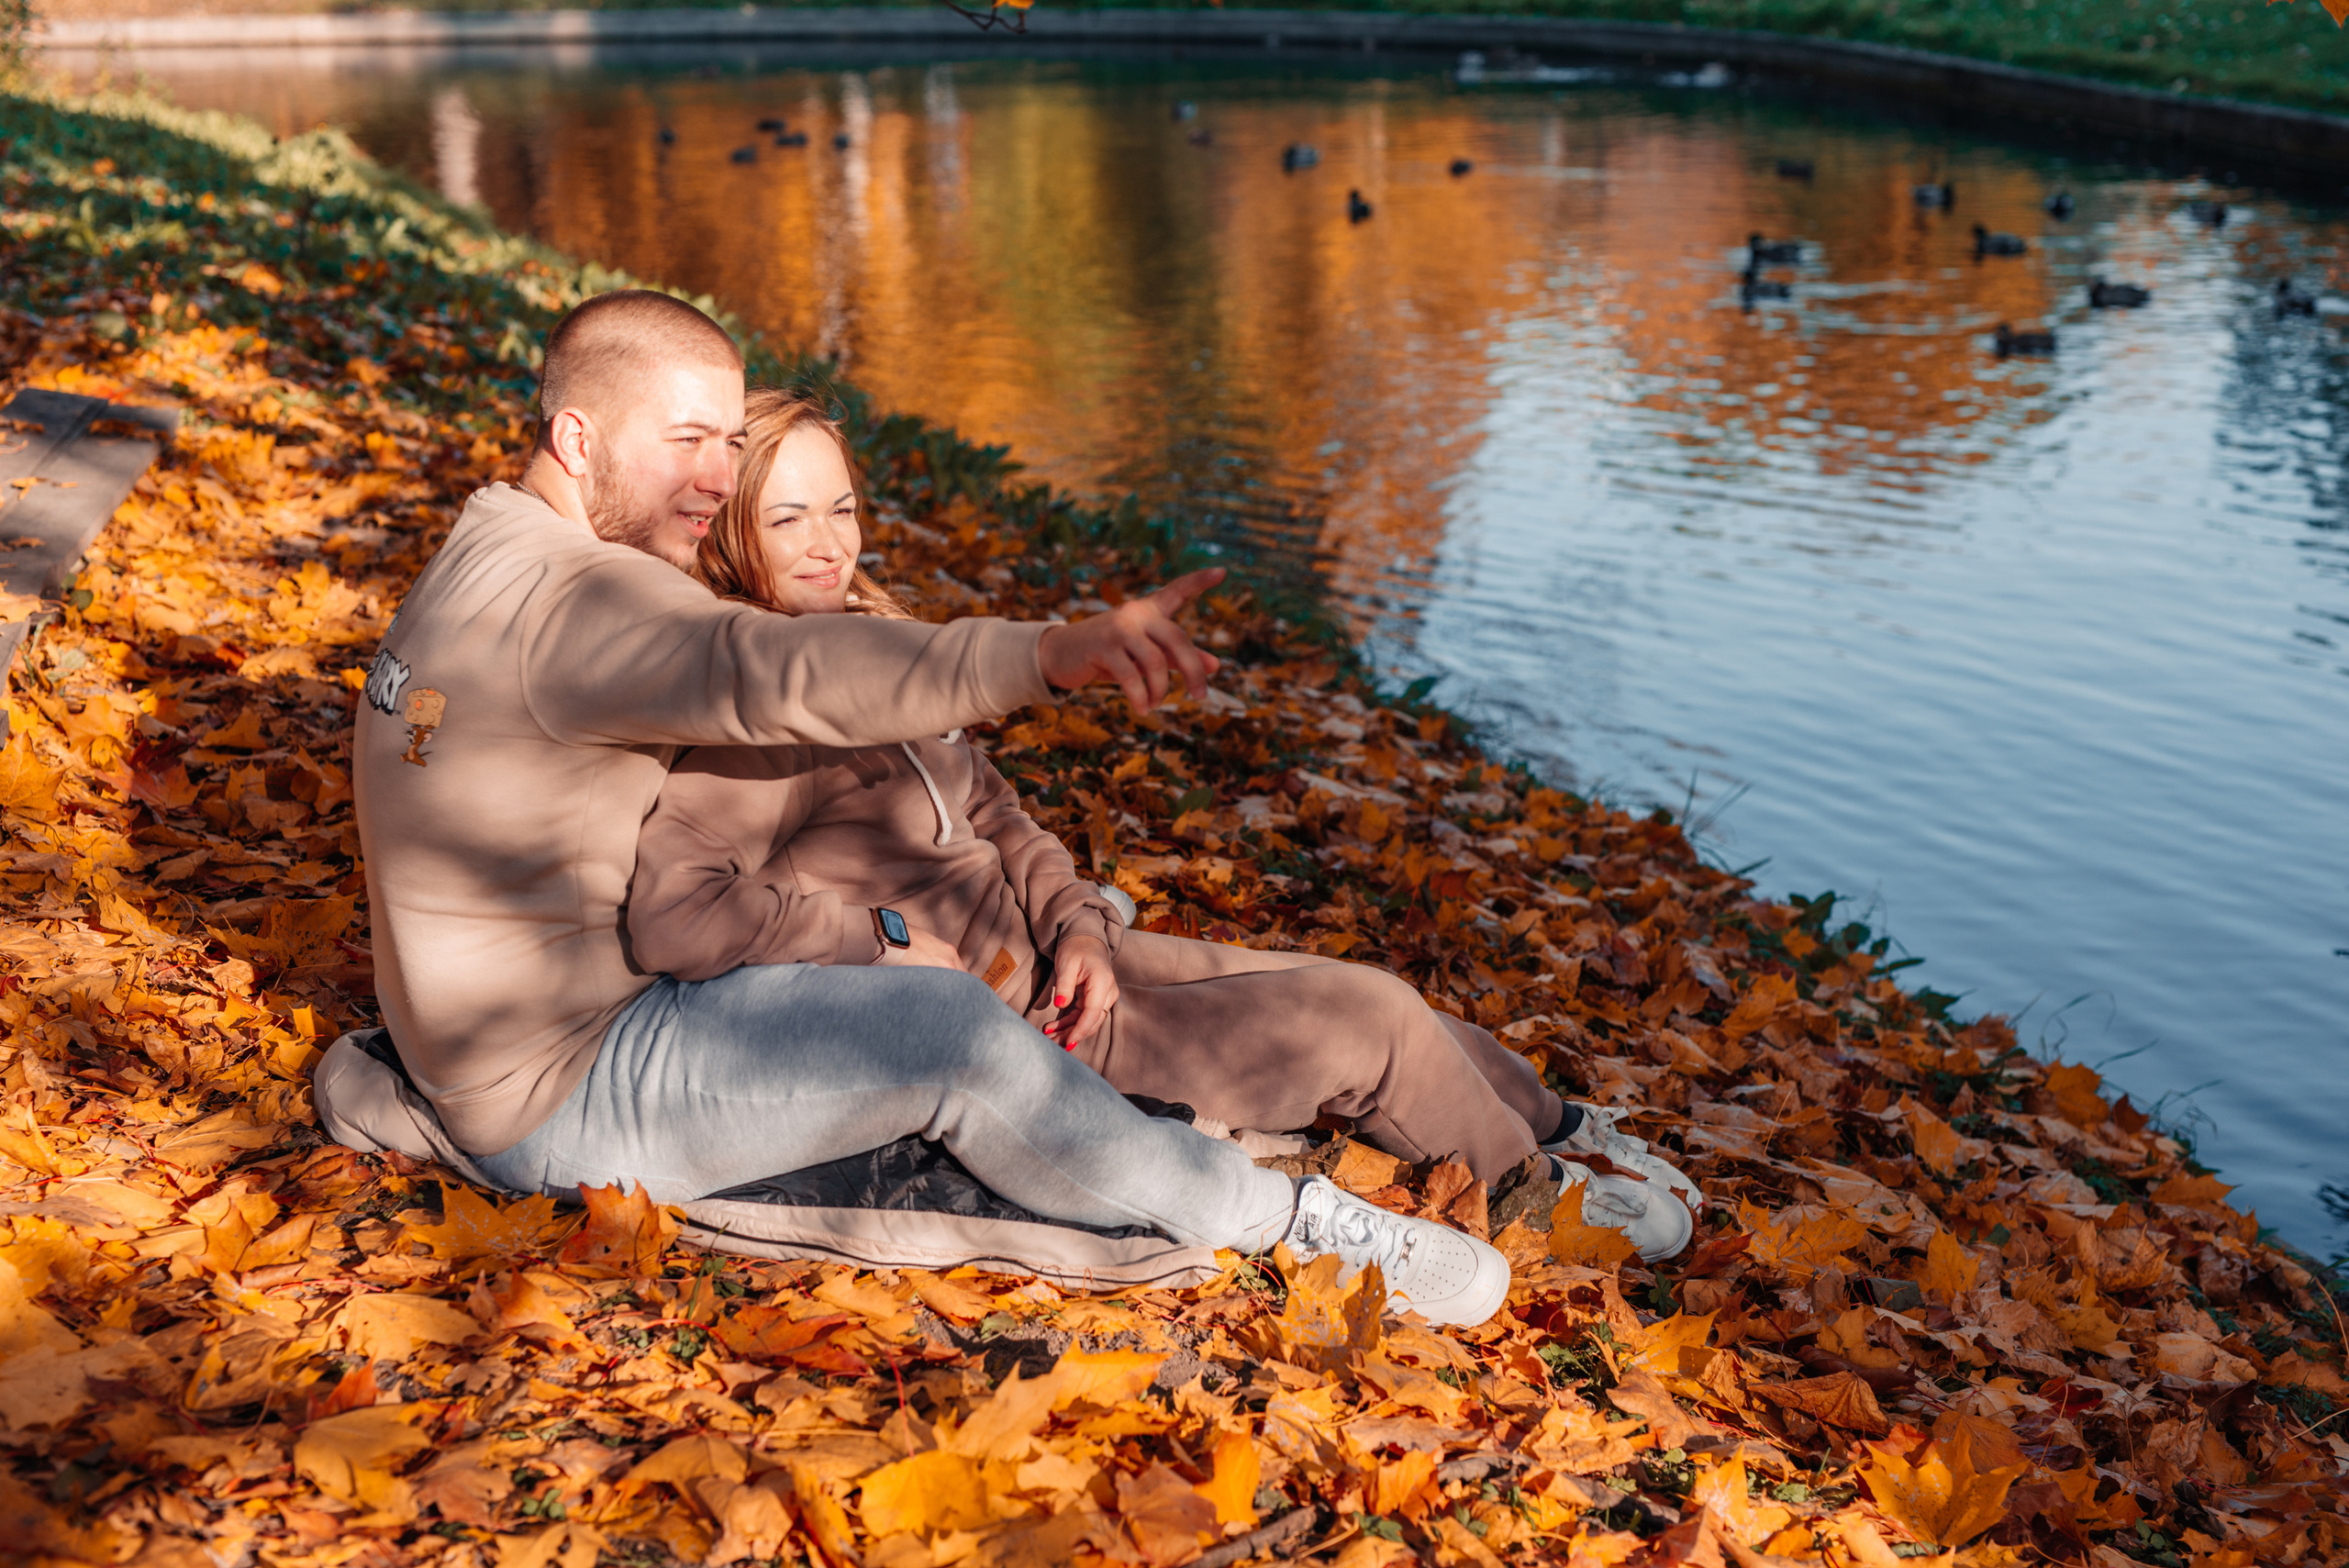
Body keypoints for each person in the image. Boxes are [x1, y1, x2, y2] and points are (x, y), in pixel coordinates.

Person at [351, 290, 1511, 1325]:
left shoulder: (485, 549)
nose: (714, 475)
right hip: (562, 1086)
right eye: (687, 441)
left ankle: (1518, 1131)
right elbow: (776, 672)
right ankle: (1279, 1218)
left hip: (531, 1038)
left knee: (1229, 996)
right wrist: (1044, 655)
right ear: (577, 437)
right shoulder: (582, 603)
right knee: (949, 1035)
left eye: (728, 442)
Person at [623, 387, 1701, 1262]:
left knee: (1379, 994)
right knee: (1367, 1022)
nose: (830, 545)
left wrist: (1083, 926)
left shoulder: (868, 644)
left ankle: (1563, 1128)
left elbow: (996, 812)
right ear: (728, 536)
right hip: (1036, 1036)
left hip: (1072, 963)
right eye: (788, 519)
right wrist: (883, 940)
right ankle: (1538, 1202)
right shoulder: (750, 726)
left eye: (842, 508)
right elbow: (676, 914)